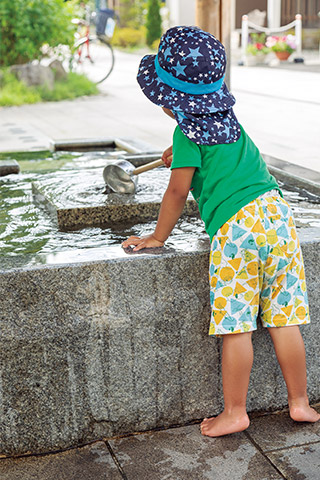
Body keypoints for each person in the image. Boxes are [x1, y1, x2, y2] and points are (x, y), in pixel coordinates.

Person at [121, 26, 320, 436]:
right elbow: (222, 157)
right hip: (276, 217)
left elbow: (177, 191)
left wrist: (157, 238)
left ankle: (235, 412)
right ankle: (300, 403)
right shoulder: (228, 119)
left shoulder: (185, 132)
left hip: (237, 229)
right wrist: (182, 154)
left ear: (168, 100)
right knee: (285, 320)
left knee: (237, 324)